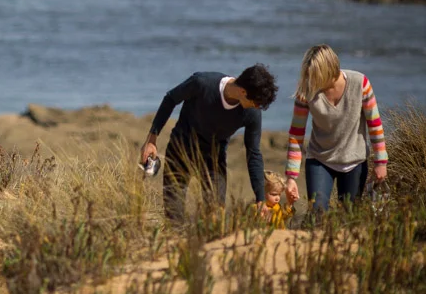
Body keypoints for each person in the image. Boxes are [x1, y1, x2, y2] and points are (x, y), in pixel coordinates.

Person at [140, 65, 278, 221]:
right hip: (181, 149)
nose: (257, 108)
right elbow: (171, 98)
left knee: (215, 217)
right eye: (256, 103)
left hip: (213, 158)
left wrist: (260, 199)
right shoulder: (202, 83)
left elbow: (253, 153)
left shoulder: (252, 114)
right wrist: (152, 139)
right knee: (174, 216)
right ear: (243, 92)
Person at [284, 44, 387, 213]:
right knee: (316, 214)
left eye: (316, 76)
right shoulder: (306, 91)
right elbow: (296, 134)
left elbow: (374, 125)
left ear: (329, 70)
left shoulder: (360, 83)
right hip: (319, 159)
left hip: (354, 161)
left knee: (349, 217)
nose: (312, 81)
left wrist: (380, 162)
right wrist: (291, 177)